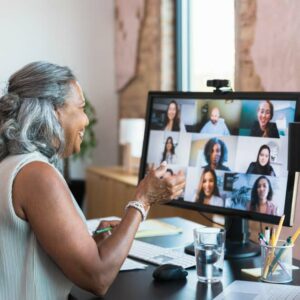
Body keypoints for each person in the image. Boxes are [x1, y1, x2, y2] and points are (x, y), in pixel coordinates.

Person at [0, 62, 185, 299]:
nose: (86, 120)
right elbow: (98, 278)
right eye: (81, 107)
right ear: (55, 111)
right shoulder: (37, 175)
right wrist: (142, 200)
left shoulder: (10, 164)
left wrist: (89, 242)